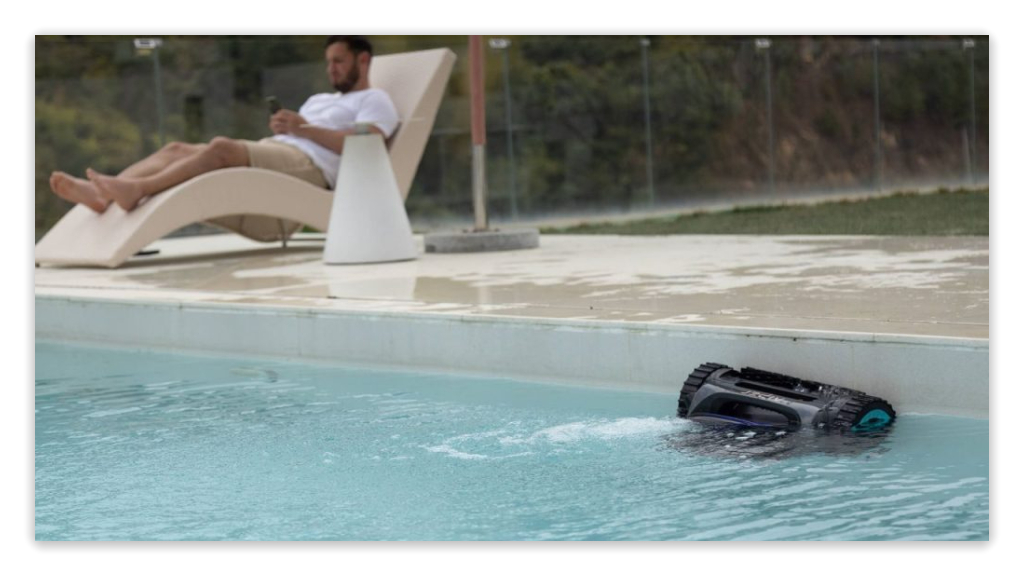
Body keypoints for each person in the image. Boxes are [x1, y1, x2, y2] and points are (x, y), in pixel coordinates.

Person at [48, 35, 399, 213]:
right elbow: (300, 131)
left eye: (339, 61)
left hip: (311, 170)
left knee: (220, 148)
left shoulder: (375, 100)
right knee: (176, 149)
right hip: (279, 151)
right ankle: (101, 196)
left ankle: (139, 190)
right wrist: (287, 126)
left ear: (363, 60)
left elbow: (368, 141)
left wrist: (301, 128)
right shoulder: (321, 100)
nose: (331, 69)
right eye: (328, 62)